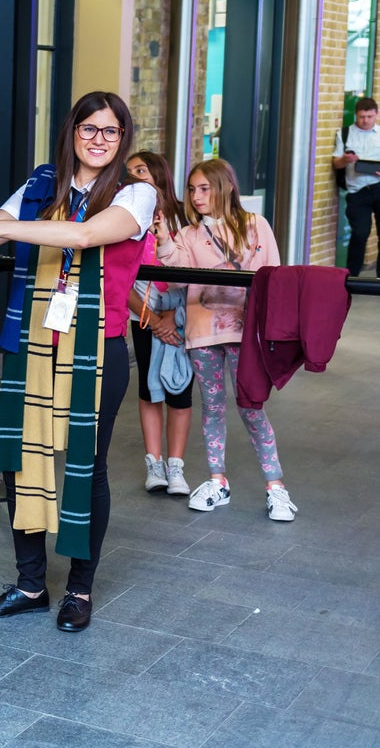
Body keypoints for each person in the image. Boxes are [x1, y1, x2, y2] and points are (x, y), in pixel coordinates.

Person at [0, 91, 156, 633]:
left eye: (110, 131)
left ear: (122, 137)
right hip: (35, 343)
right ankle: (31, 584)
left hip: (97, 348)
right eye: (89, 129)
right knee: (21, 457)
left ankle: (80, 590)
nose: (98, 140)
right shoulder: (42, 185)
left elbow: (85, 235)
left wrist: (5, 228)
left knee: (88, 465)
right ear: (72, 132)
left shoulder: (136, 195)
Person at [154, 158, 294, 521]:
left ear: (226, 187)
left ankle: (275, 485)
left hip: (246, 333)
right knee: (212, 406)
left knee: (251, 407)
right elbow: (178, 280)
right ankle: (218, 480)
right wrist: (165, 241)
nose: (197, 196)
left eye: (205, 188)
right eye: (192, 189)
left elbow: (273, 276)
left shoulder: (255, 225)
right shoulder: (188, 234)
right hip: (203, 332)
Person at [124, 152, 192, 496]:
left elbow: (195, 271)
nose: (133, 177)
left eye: (141, 171)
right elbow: (120, 277)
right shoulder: (125, 218)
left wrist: (172, 318)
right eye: (129, 172)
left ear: (159, 176)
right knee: (149, 389)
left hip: (182, 314)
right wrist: (151, 318)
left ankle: (176, 466)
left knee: (180, 391)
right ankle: (154, 463)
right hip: (143, 314)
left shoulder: (187, 218)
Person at [332, 97, 380, 277]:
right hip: (357, 192)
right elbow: (336, 163)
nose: (365, 120)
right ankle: (352, 277)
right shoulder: (344, 134)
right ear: (356, 116)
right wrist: (346, 160)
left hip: (378, 186)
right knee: (360, 233)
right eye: (361, 117)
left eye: (369, 116)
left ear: (376, 114)